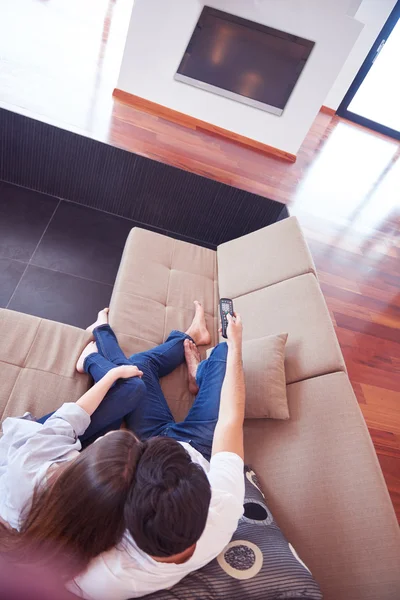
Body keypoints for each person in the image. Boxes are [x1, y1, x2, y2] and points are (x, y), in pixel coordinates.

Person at [0, 301, 245, 599]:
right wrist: (237, 343)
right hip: (201, 443)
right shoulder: (222, 513)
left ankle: (112, 341)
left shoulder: (97, 573)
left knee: (136, 374)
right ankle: (194, 365)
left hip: (146, 435)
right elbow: (231, 420)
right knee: (223, 353)